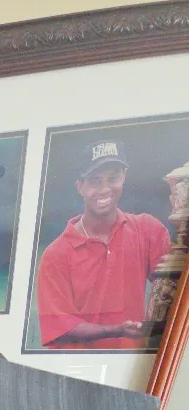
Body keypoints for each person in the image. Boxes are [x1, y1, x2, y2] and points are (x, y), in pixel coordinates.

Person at [36, 139, 171, 350]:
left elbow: (173, 286)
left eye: (113, 178)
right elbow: (61, 328)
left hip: (134, 365)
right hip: (77, 367)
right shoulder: (56, 254)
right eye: (95, 181)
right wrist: (117, 330)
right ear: (80, 187)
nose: (105, 189)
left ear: (124, 177)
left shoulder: (147, 229)